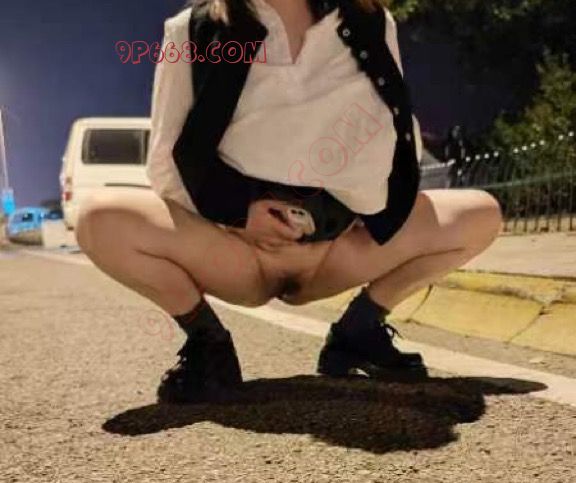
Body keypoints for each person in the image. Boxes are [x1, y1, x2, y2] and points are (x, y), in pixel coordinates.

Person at [77, 0, 502, 403]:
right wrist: (239, 214)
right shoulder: (192, 30)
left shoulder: (370, 21)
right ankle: (208, 345)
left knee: (480, 215)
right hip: (237, 253)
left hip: (336, 248)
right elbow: (167, 163)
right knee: (99, 219)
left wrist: (373, 200)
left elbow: (397, 127)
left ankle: (360, 329)